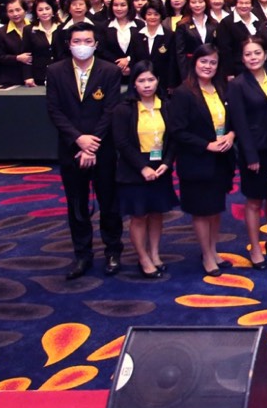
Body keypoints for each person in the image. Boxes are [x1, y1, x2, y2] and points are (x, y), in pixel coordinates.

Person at [45, 23, 124, 279]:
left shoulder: (110, 71)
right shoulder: (55, 71)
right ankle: (82, 254)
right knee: (77, 205)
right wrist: (79, 139)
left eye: (87, 41)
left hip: (103, 148)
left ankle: (113, 251)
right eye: (77, 41)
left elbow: (111, 110)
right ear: (69, 44)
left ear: (96, 44)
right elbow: (54, 110)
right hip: (72, 148)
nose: (82, 46)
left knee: (109, 202)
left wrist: (92, 144)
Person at [167, 45, 238, 277]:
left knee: (216, 208)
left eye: (213, 62)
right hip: (196, 160)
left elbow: (233, 120)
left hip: (221, 159)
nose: (208, 66)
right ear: (195, 63)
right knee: (201, 210)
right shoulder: (183, 92)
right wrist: (206, 145)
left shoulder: (222, 88)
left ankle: (213, 250)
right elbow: (177, 130)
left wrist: (231, 135)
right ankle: (206, 255)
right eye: (203, 61)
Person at [228, 37, 267, 268]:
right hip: (254, 149)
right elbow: (239, 122)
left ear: (265, 54)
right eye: (248, 54)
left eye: (257, 53)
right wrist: (250, 155)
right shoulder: (238, 84)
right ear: (242, 58)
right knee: (254, 200)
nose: (253, 58)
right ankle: (255, 247)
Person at [111, 61, 175, 278]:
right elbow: (121, 143)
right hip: (134, 169)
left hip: (160, 167)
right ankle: (143, 258)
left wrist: (167, 162)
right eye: (141, 81)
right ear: (134, 84)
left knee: (157, 213)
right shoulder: (124, 109)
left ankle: (155, 254)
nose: (147, 85)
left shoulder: (167, 105)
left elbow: (173, 138)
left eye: (151, 79)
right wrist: (142, 167)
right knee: (139, 215)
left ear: (158, 81)